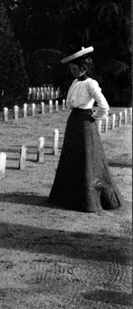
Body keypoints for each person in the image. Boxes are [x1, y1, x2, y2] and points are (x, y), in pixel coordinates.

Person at [48, 46, 123, 212]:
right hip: (73, 122)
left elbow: (104, 105)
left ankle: (88, 200)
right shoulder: (76, 82)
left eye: (75, 69)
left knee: (87, 161)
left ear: (84, 68)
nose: (73, 72)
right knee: (72, 159)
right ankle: (71, 198)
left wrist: (93, 117)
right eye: (71, 69)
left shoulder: (91, 84)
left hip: (85, 123)